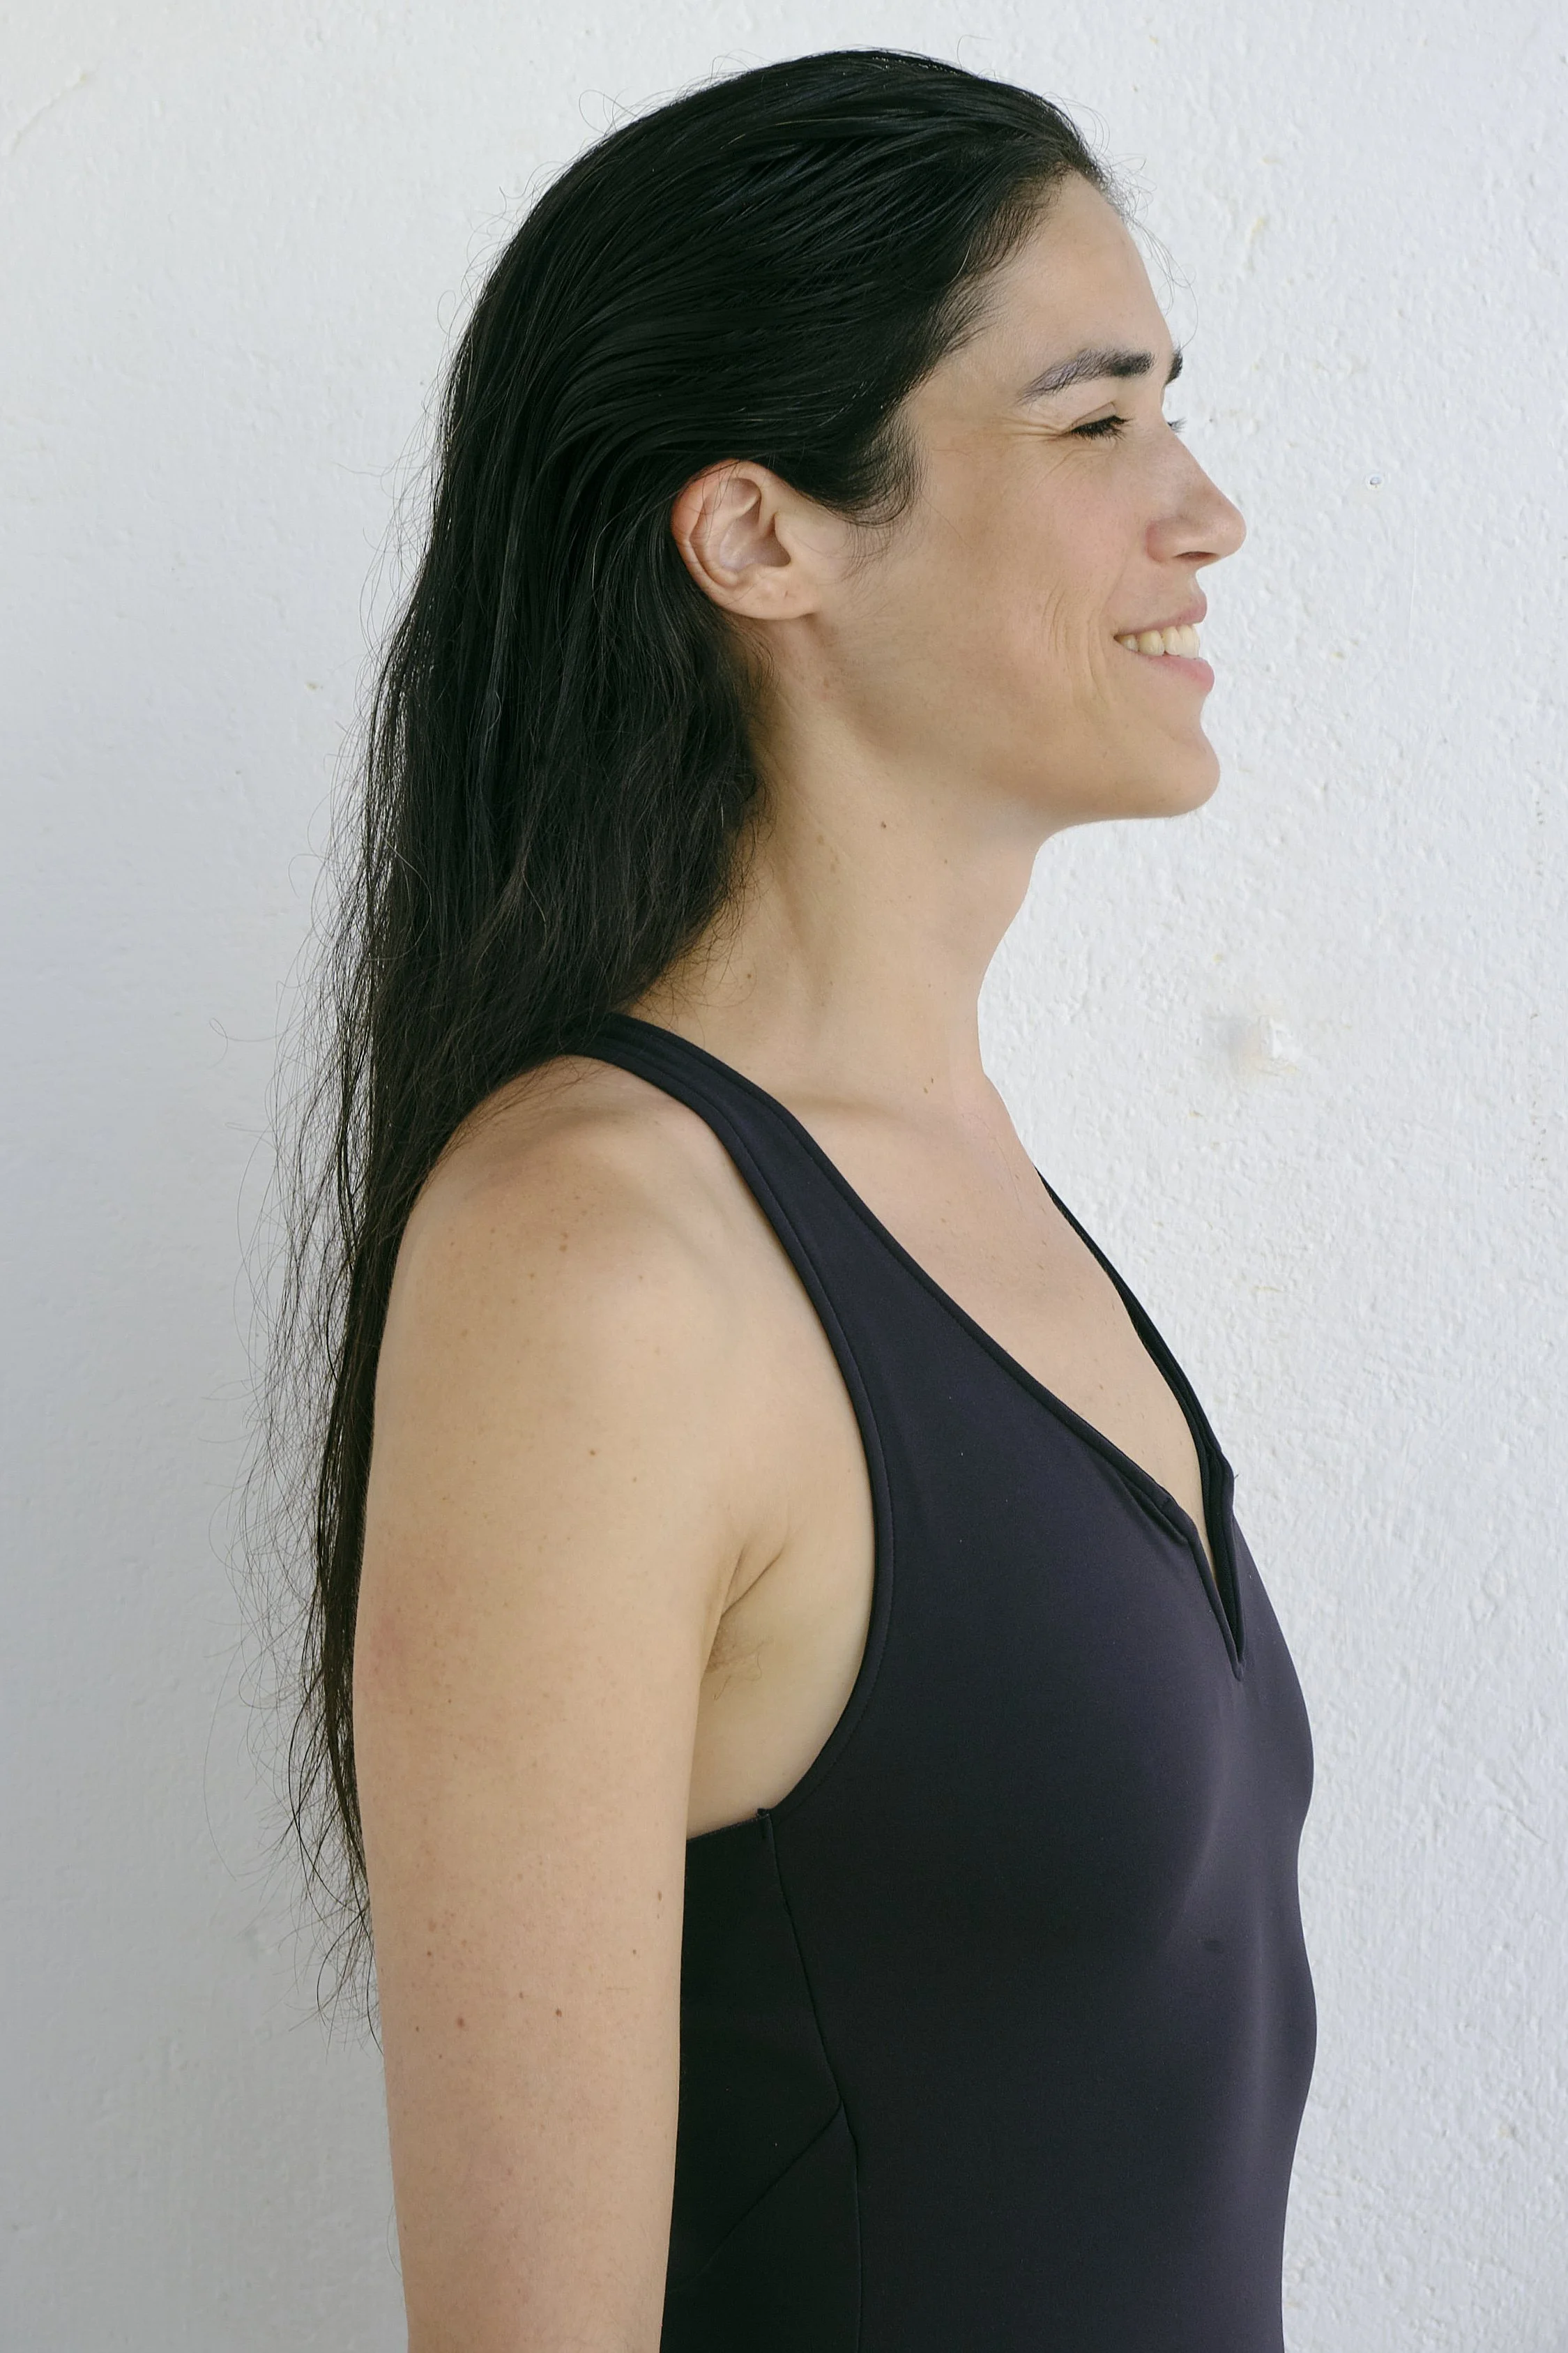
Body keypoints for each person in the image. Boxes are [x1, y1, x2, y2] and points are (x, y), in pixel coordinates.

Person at [287, 46, 1316, 2352]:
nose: (1206, 509)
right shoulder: (600, 1261)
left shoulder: (967, 1181)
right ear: (761, 536)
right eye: (1096, 421)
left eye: (1171, 409)